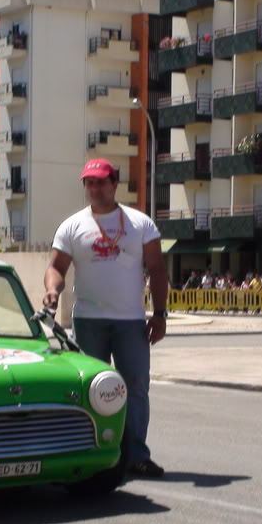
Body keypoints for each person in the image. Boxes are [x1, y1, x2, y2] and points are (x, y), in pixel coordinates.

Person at [43, 158, 168, 479]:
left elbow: (156, 269)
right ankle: (90, 452)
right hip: (88, 321)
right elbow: (56, 268)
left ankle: (136, 455)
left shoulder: (140, 224)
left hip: (130, 321)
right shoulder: (72, 226)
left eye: (100, 182)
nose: (94, 188)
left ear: (115, 184)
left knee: (136, 387)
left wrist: (160, 314)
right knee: (88, 388)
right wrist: (52, 292)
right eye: (89, 183)